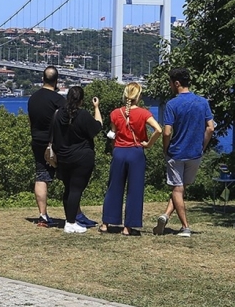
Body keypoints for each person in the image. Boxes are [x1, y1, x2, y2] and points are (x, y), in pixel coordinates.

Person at [153, 68, 214, 238]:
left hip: (177, 153)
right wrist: (202, 147)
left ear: (177, 83)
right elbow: (210, 128)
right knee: (180, 189)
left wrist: (165, 149)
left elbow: (166, 132)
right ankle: (165, 215)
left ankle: (185, 227)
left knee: (177, 189)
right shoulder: (202, 102)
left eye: (170, 82)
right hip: (195, 153)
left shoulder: (172, 104)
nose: (170, 85)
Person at [100, 82, 162, 236]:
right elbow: (159, 130)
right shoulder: (144, 113)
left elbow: (113, 134)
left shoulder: (115, 113)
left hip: (119, 152)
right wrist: (148, 144)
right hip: (135, 152)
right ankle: (128, 227)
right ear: (138, 96)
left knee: (114, 187)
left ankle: (105, 223)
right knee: (134, 190)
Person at [50, 86, 102, 233]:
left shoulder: (59, 114)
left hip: (64, 157)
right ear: (81, 100)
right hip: (82, 157)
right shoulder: (83, 114)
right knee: (76, 190)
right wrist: (96, 108)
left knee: (68, 190)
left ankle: (69, 219)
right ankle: (71, 222)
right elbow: (97, 127)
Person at [27, 66, 65, 227]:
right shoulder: (59, 100)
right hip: (56, 143)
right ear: (56, 81)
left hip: (37, 141)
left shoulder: (32, 98)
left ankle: (42, 215)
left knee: (41, 176)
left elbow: (31, 121)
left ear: (43, 79)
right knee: (69, 177)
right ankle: (74, 214)